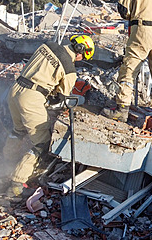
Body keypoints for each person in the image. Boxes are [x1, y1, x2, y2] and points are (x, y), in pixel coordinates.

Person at [5, 35, 95, 198]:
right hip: (31, 97)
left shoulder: (49, 45)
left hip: (15, 90)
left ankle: (6, 160)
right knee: (41, 142)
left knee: (18, 130)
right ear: (81, 53)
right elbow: (62, 98)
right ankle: (17, 184)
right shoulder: (69, 69)